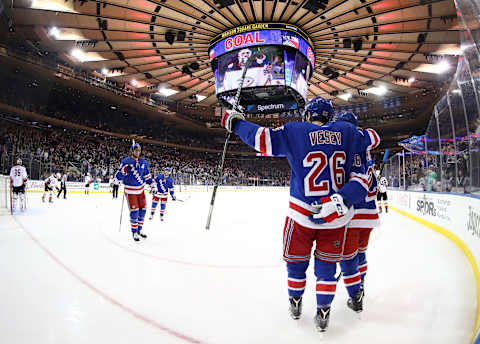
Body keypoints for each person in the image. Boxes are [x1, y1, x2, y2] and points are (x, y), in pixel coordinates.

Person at [221, 97, 368, 332]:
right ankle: (323, 312)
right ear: (330, 116)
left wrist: (236, 123)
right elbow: (362, 181)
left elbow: (262, 139)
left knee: (296, 265)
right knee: (327, 270)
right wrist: (339, 201)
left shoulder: (296, 130)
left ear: (308, 115)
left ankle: (296, 303)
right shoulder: (349, 133)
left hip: (301, 215)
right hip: (336, 219)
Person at [335, 112, 381, 301]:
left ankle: (355, 296)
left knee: (348, 258)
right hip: (370, 213)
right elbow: (375, 136)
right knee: (361, 254)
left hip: (353, 214)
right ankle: (361, 285)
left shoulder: (345, 147)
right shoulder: (365, 144)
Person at [115, 143, 156, 242]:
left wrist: (152, 185)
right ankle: (134, 232)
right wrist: (122, 174)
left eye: (139, 150)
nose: (137, 152)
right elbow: (118, 175)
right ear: (132, 151)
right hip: (130, 191)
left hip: (141, 191)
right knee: (135, 211)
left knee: (143, 210)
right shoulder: (126, 161)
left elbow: (147, 176)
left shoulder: (143, 162)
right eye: (135, 150)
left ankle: (139, 230)